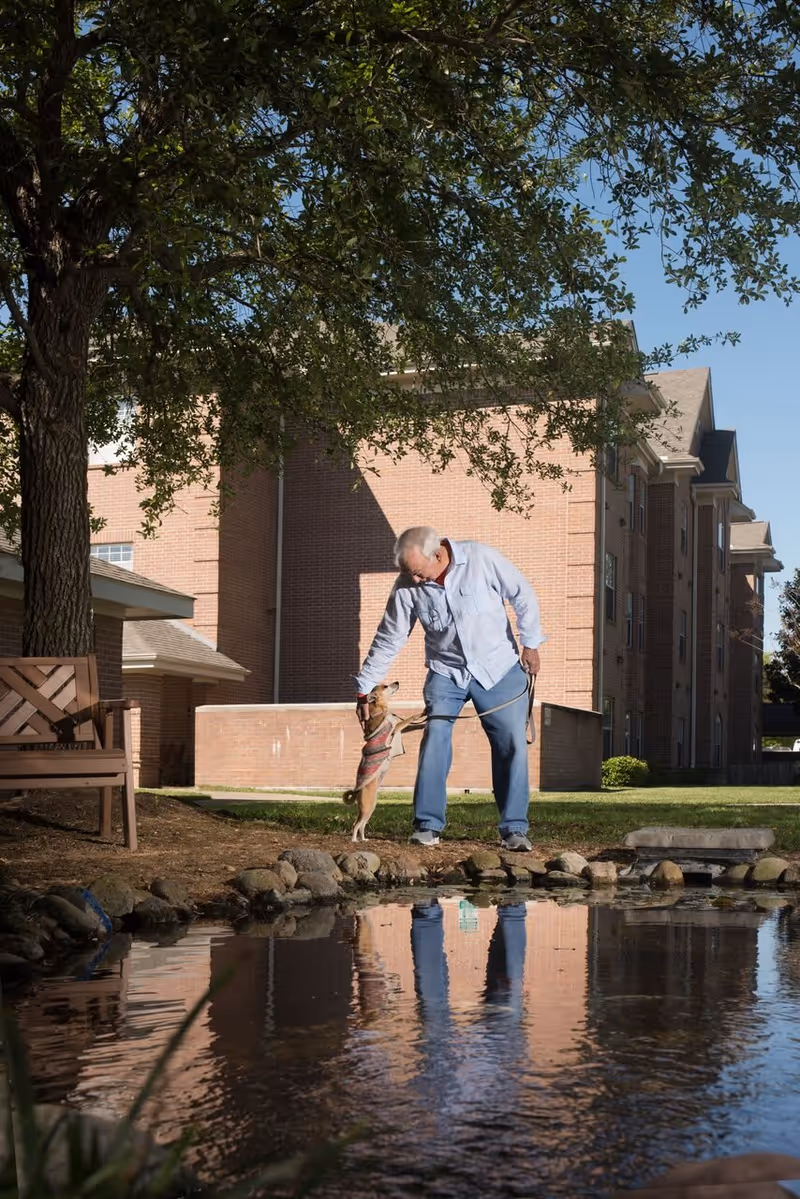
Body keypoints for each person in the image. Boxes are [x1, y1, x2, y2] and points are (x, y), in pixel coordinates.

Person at [353, 526, 545, 850]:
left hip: (498, 667)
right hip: (446, 671)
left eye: (416, 572)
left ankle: (514, 830)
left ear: (438, 555)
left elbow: (522, 594)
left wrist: (531, 643)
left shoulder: (481, 558)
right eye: (407, 574)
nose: (413, 580)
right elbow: (389, 638)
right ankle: (427, 826)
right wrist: (365, 688)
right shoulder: (406, 585)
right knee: (435, 740)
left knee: (511, 745)